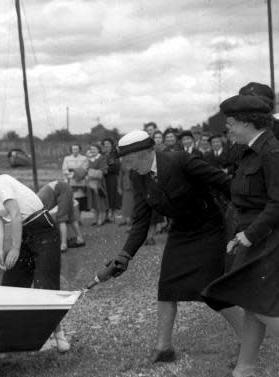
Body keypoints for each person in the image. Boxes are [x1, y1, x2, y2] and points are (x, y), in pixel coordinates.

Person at [92, 131, 243, 363]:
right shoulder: (138, 176)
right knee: (167, 286)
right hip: (181, 231)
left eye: (128, 160)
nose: (126, 166)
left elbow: (226, 184)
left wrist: (248, 219)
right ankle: (164, 349)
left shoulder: (180, 161)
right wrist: (124, 256)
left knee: (212, 289)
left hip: (211, 227)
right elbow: (141, 221)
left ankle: (247, 343)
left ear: (143, 153)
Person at [203, 94, 279, 377]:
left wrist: (248, 235)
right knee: (252, 303)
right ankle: (243, 375)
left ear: (248, 122)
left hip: (271, 238)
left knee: (267, 306)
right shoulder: (249, 151)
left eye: (231, 124)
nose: (227, 129)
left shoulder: (272, 153)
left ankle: (243, 374)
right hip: (255, 235)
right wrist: (240, 234)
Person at [0, 157, 70, 353]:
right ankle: (12, 337)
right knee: (11, 286)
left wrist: (15, 248)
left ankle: (59, 335)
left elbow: (14, 213)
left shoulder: (2, 181)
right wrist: (0, 250)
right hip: (24, 235)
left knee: (45, 286)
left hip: (43, 231)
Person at [37, 180, 85, 253]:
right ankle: (80, 239)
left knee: (61, 218)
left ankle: (63, 245)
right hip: (66, 188)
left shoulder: (37, 205)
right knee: (71, 217)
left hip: (62, 190)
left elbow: (45, 218)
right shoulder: (37, 199)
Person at [61, 144, 89, 213]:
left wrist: (78, 174)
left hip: (81, 181)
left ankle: (79, 218)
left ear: (79, 149)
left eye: (77, 149)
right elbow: (65, 169)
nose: (75, 150)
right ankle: (72, 218)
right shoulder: (67, 158)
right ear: (71, 150)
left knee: (80, 200)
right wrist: (73, 175)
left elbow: (84, 169)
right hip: (70, 181)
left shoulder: (84, 158)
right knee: (71, 199)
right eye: (73, 149)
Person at [86, 144, 108, 226]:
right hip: (91, 183)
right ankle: (95, 219)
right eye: (91, 149)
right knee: (94, 202)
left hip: (99, 183)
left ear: (98, 150)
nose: (93, 151)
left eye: (94, 149)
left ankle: (100, 220)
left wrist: (91, 172)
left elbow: (104, 170)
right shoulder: (89, 159)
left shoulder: (101, 158)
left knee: (100, 201)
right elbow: (86, 169)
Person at [101, 138, 121, 223]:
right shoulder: (101, 155)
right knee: (105, 196)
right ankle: (105, 216)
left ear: (111, 145)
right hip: (103, 178)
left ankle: (112, 216)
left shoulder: (115, 154)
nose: (106, 145)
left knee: (112, 196)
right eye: (105, 144)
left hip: (112, 178)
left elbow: (117, 166)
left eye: (108, 144)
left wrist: (107, 169)